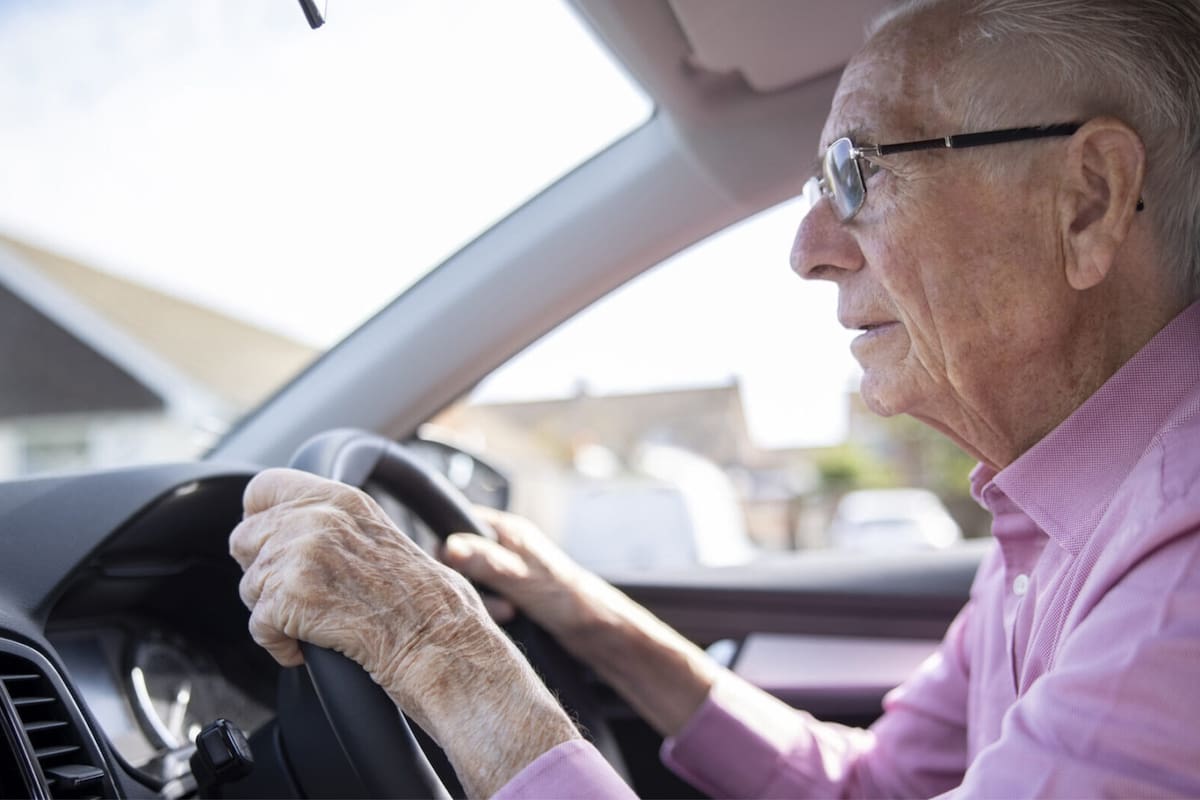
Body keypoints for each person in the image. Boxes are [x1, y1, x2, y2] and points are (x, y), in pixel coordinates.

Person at [229, 0, 1200, 796]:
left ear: (1086, 200)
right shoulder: (1067, 508)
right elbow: (879, 784)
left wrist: (441, 652)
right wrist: (594, 618)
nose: (808, 248)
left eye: (857, 172)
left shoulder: (1180, 569)